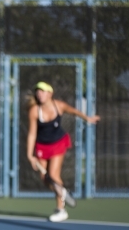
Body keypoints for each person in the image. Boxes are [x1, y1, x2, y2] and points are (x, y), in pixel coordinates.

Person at [26, 81, 100, 222]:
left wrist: (88, 119)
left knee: (53, 175)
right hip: (42, 146)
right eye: (38, 91)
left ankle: (61, 210)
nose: (39, 94)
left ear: (50, 93)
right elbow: (32, 134)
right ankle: (63, 192)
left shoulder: (59, 105)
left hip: (58, 143)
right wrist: (30, 155)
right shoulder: (34, 111)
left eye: (42, 91)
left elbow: (75, 112)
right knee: (45, 178)